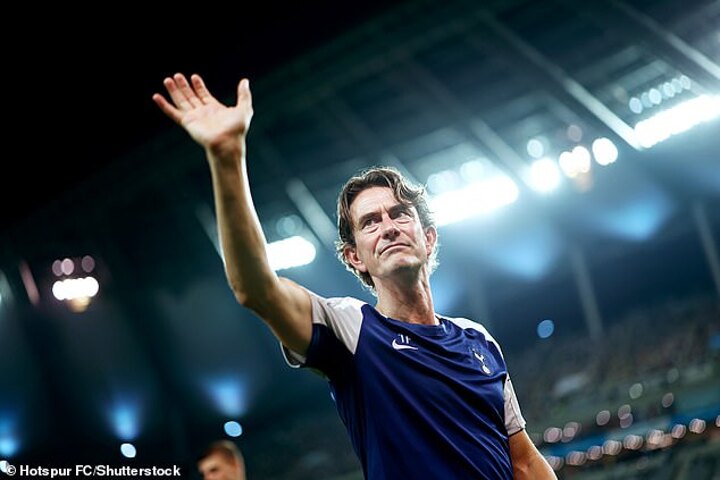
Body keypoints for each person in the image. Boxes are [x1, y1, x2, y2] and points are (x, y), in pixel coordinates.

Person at [153, 73, 556, 479]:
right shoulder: (351, 330)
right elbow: (256, 289)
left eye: (400, 214)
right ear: (354, 257)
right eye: (370, 222)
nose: (389, 227)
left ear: (429, 238)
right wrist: (227, 158)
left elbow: (523, 461)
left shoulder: (478, 340)